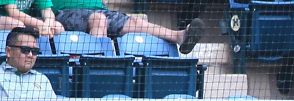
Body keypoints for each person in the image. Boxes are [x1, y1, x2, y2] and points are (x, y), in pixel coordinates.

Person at [52, 0, 205, 53]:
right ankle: (94, 67)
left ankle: (179, 36)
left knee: (135, 22)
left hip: (100, 11)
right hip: (66, 12)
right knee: (99, 20)